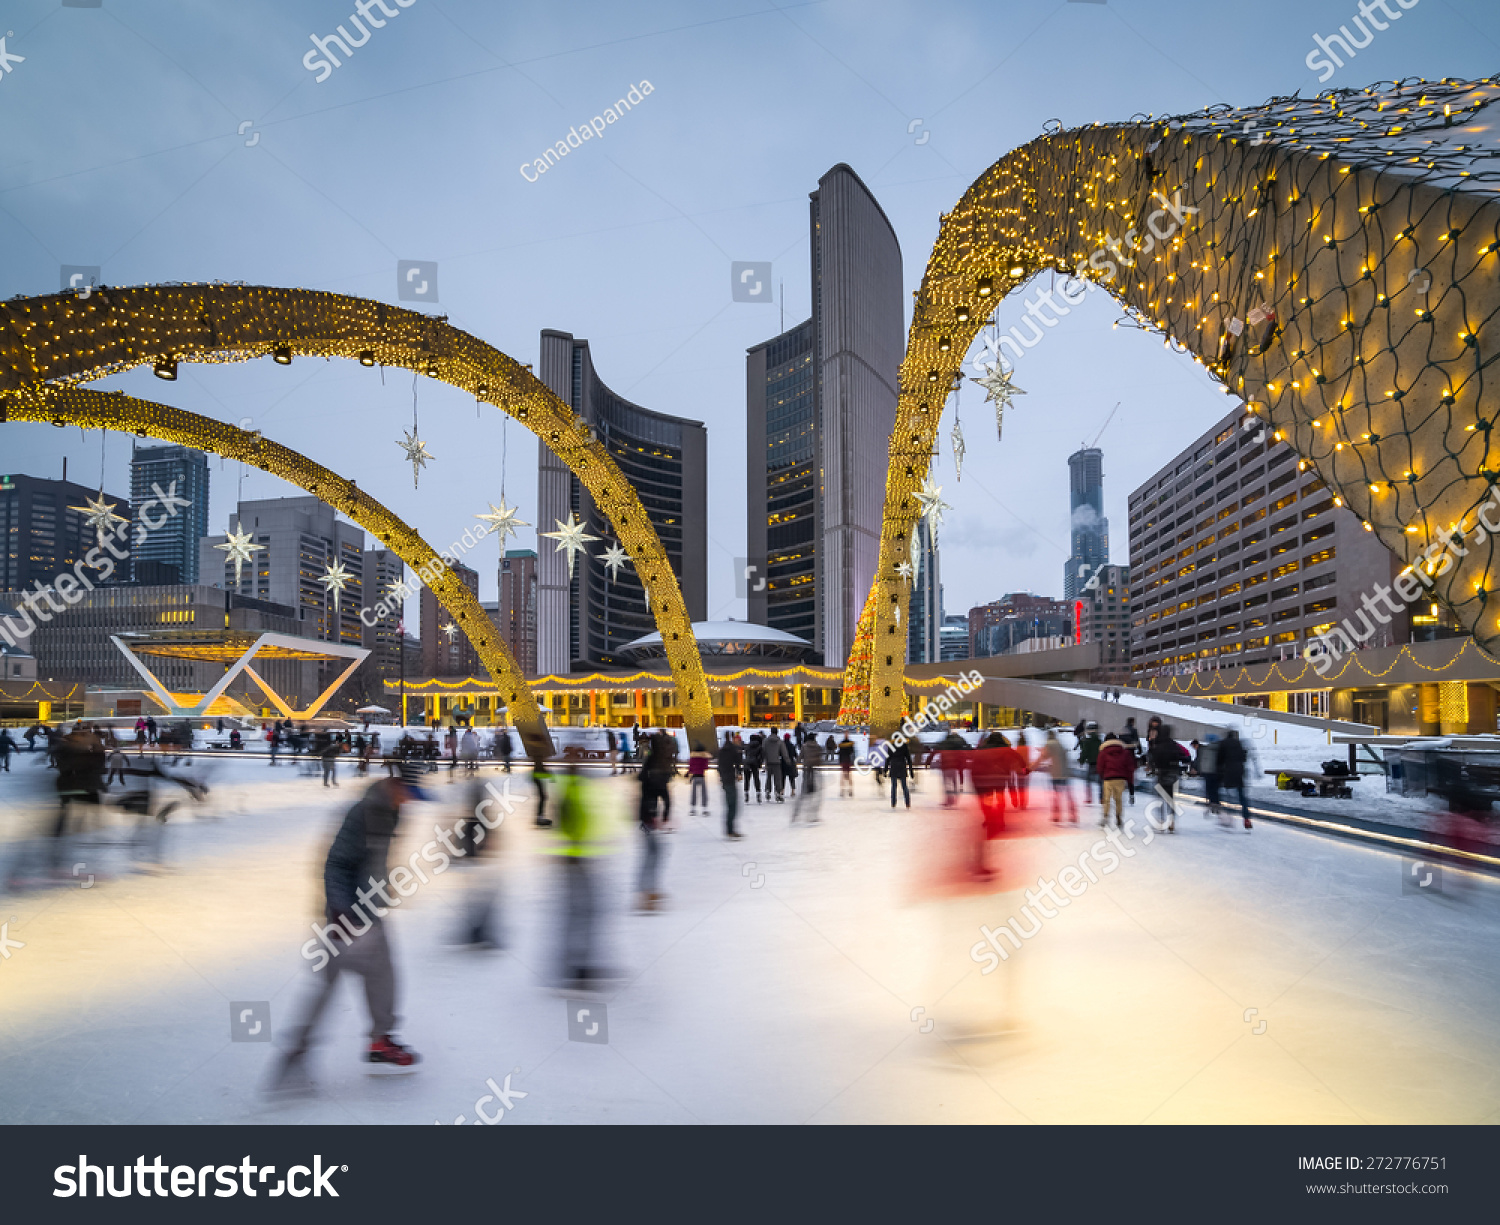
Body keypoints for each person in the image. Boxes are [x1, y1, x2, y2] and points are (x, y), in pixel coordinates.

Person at [270, 759, 430, 1092]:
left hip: (368, 912)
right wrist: (341, 910)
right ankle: (297, 1052)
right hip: (344, 917)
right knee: (328, 986)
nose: (412, 800)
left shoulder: (392, 810)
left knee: (383, 975)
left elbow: (373, 860)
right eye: (410, 793)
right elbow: (336, 864)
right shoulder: (364, 812)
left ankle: (379, 1041)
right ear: (396, 786)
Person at [637, 733, 674, 910]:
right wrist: (665, 811)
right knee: (653, 853)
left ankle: (648, 890)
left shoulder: (653, 761)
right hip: (648, 813)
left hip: (647, 812)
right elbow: (661, 790)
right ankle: (646, 892)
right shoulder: (657, 763)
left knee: (653, 853)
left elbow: (647, 782)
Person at [1147, 723, 1184, 833]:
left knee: (1161, 798)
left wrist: (1153, 767)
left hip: (1162, 773)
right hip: (1173, 774)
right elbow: (1182, 756)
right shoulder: (1174, 745)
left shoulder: (1158, 745)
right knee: (1170, 799)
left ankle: (1162, 821)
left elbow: (1153, 758)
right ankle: (1172, 821)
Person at [1096, 731, 1134, 830]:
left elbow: (1100, 766)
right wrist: (1130, 782)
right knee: (1118, 799)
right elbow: (1129, 767)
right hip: (1120, 779)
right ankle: (1118, 817)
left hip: (1108, 778)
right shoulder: (1125, 752)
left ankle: (1105, 817)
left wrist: (1102, 775)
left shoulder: (1103, 752)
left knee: (1107, 799)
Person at [1218, 728, 1252, 830]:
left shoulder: (1223, 744)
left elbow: (1219, 759)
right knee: (1242, 795)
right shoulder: (1239, 744)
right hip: (1239, 771)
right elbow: (1244, 758)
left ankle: (1227, 817)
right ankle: (1246, 818)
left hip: (1227, 771)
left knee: (1224, 794)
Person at [1044, 729, 1077, 823]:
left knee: (1056, 795)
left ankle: (1056, 816)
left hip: (1056, 774)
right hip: (1065, 773)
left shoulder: (1050, 744)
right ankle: (1073, 815)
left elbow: (1045, 756)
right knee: (1068, 795)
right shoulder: (1060, 744)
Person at [717, 733, 743, 839]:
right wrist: (739, 773)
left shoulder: (722, 750)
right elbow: (738, 763)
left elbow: (719, 766)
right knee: (733, 805)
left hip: (725, 779)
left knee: (729, 805)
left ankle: (730, 829)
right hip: (730, 779)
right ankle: (730, 830)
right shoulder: (733, 750)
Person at [792, 735, 823, 824]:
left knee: (803, 794)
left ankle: (796, 814)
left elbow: (799, 758)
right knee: (815, 795)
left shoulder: (804, 747)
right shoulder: (817, 747)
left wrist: (797, 763)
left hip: (806, 771)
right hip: (815, 772)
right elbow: (820, 759)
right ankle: (813, 815)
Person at [1198, 733, 1222, 816]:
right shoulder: (1219, 748)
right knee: (1214, 789)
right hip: (1215, 771)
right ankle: (1215, 803)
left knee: (1209, 788)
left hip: (1208, 771)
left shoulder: (1207, 748)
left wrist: (1201, 769)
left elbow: (1204, 760)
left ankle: (1212, 803)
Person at [762, 729, 789, 802]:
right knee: (778, 779)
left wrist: (763, 760)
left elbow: (763, 751)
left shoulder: (766, 741)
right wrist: (787, 761)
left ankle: (768, 790)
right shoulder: (779, 741)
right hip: (777, 762)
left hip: (768, 761)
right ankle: (777, 793)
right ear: (777, 732)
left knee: (769, 777)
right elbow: (784, 752)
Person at [1078, 723, 1102, 804]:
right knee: (1100, 781)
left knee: (1088, 782)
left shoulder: (1088, 741)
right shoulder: (1099, 741)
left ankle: (1089, 798)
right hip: (1099, 763)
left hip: (1091, 763)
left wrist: (1081, 761)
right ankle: (1101, 797)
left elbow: (1085, 752)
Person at [1118, 717, 1141, 804]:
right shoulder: (1134, 730)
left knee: (1121, 776)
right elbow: (1137, 741)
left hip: (1121, 755)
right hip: (1130, 755)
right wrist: (1139, 749)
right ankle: (1131, 795)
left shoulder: (1122, 730)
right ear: (1132, 722)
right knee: (1130, 777)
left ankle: (1119, 794)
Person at [887, 739, 913, 809]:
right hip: (902, 767)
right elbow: (908, 758)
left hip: (894, 767)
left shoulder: (891, 746)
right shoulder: (904, 746)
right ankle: (907, 803)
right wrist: (911, 771)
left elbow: (888, 758)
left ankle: (893, 803)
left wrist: (885, 769)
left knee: (893, 786)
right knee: (904, 786)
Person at [687, 741, 710, 814]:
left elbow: (690, 767)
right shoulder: (704, 758)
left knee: (694, 793)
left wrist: (688, 773)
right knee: (703, 793)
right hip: (701, 777)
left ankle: (693, 809)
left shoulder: (692, 757)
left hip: (694, 777)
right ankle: (704, 809)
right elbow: (706, 767)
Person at [743, 733, 764, 804]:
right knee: (756, 778)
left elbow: (746, 753)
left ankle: (746, 793)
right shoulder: (759, 746)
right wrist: (759, 764)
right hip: (754, 763)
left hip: (747, 762)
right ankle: (758, 793)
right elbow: (761, 756)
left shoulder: (747, 745)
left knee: (747, 779)